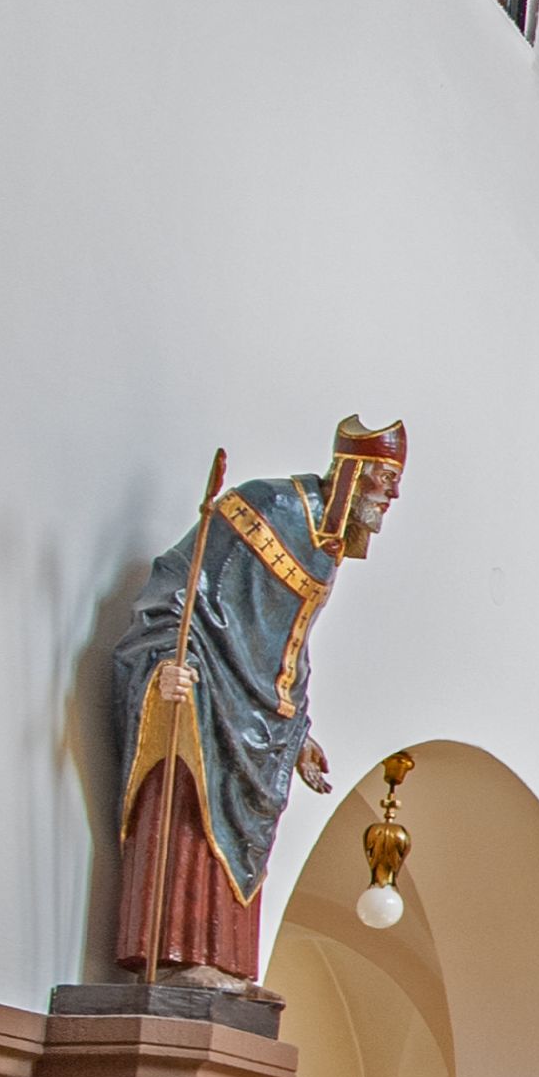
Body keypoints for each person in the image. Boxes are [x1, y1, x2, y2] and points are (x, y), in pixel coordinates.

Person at [107, 420, 405, 981]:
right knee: (195, 809)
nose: (392, 496)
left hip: (262, 720)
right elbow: (180, 588)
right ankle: (176, 959)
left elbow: (288, 649)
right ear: (353, 472)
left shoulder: (325, 550)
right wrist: (166, 661)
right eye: (385, 479)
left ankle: (224, 962)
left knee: (247, 835)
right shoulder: (265, 507)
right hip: (209, 689)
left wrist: (298, 734)